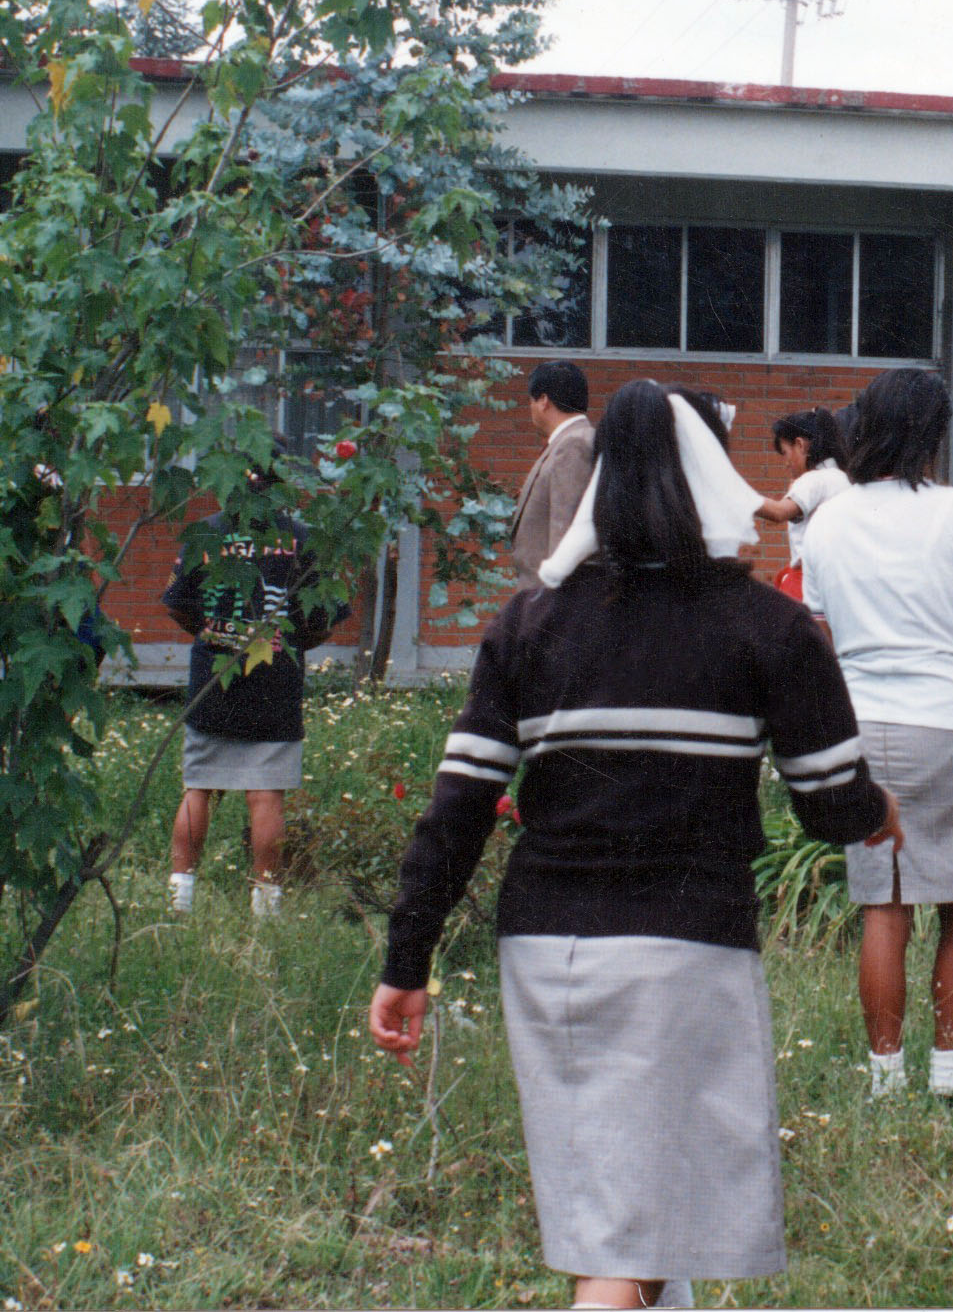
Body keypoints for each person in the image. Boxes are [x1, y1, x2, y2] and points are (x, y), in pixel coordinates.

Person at [370, 379, 901, 1311]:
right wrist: (875, 811)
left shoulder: (528, 623)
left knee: (622, 1208)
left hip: (544, 949)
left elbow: (457, 807)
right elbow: (828, 803)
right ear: (711, 475)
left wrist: (406, 959)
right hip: (683, 951)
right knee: (636, 1240)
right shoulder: (766, 626)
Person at [801, 368, 953, 1101]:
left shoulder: (828, 518)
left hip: (863, 728)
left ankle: (885, 1081)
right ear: (932, 434)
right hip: (949, 722)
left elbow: (819, 639)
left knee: (883, 909)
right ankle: (950, 1076)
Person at [161, 450, 344, 917]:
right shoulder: (304, 538)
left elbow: (180, 606)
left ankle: (178, 898)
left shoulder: (206, 532)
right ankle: (267, 907)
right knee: (266, 795)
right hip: (277, 679)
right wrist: (291, 644)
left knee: (198, 786)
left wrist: (218, 636)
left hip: (213, 676)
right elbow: (322, 619)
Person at [509, 359, 594, 588]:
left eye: (531, 400)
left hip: (548, 602)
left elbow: (564, 536)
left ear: (544, 400)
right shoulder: (571, 441)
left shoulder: (573, 445)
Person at [754, 407, 851, 602]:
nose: (785, 463)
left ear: (800, 445)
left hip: (806, 583)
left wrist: (735, 494)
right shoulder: (842, 479)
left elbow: (779, 512)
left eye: (785, 453)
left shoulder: (814, 480)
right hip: (836, 579)